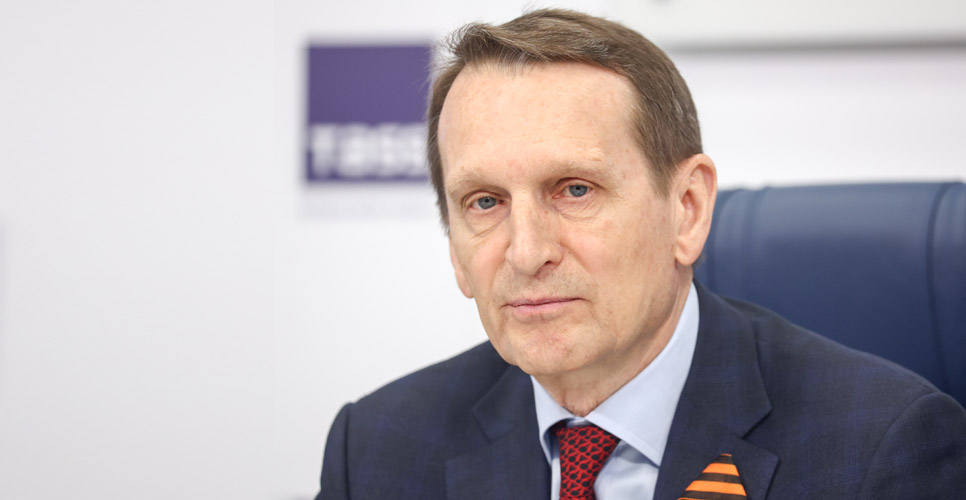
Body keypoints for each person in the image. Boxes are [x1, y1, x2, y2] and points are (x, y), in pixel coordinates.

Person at [316, 9, 966, 500]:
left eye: (575, 190)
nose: (527, 252)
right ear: (455, 249)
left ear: (687, 209)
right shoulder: (376, 451)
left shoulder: (881, 448)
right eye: (485, 202)